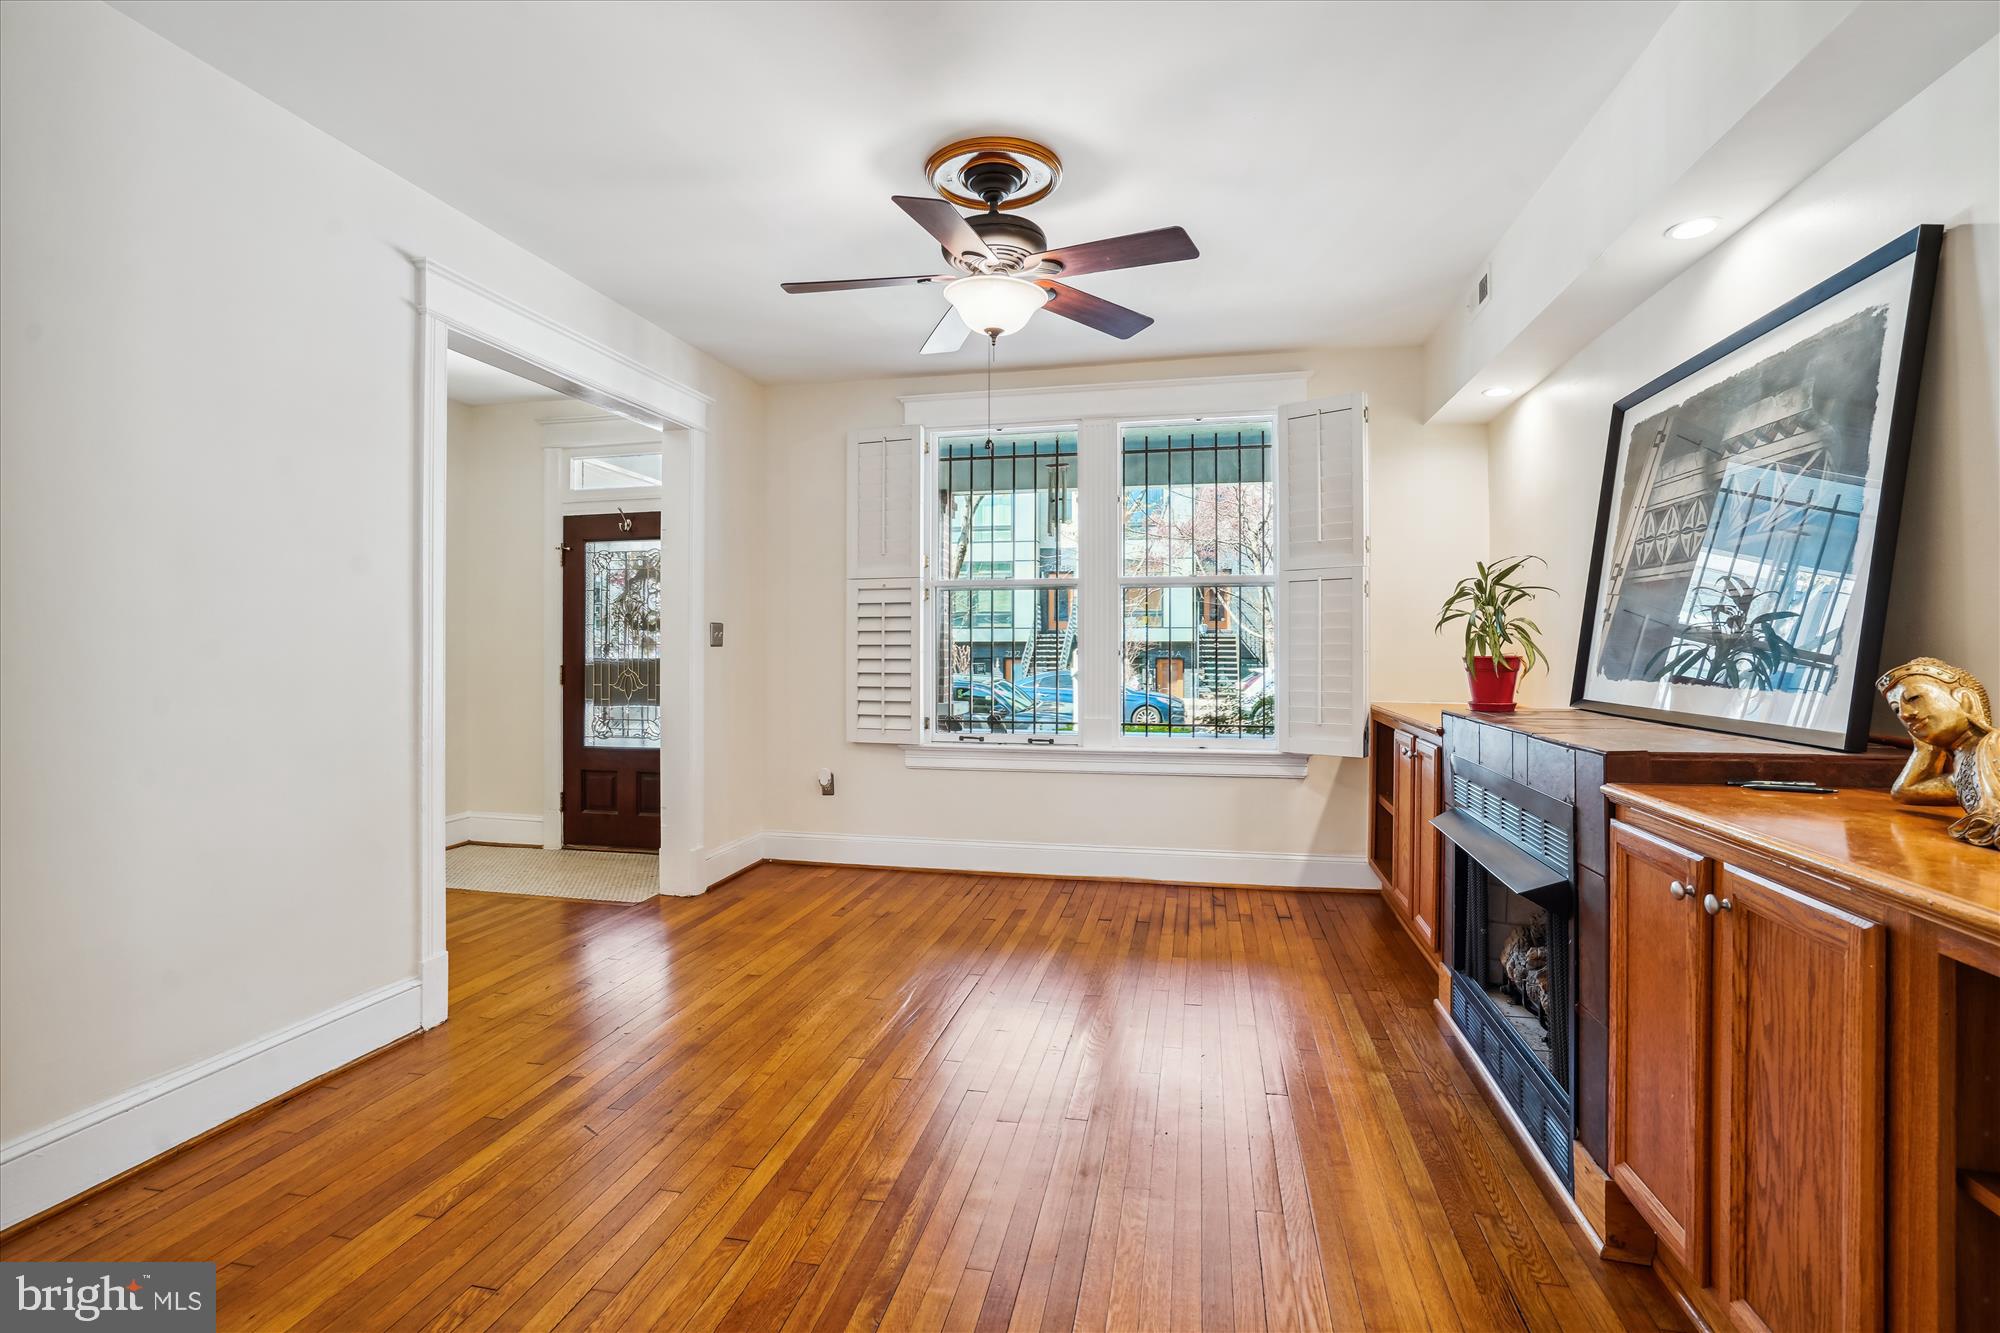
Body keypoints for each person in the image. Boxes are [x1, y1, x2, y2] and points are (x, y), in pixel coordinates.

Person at [1877, 657, 2000, 848]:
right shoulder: (1963, 770)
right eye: (1896, 709)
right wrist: (1925, 747)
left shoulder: (1994, 744)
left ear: (1965, 701)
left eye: (1913, 698)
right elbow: (1905, 792)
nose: (1904, 714)